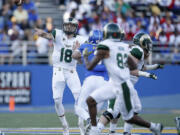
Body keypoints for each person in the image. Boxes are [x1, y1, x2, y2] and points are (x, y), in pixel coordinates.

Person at [82, 23, 163, 135]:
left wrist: (86, 57)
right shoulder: (124, 47)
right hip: (117, 83)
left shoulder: (107, 46)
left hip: (122, 85)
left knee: (126, 115)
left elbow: (90, 67)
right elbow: (133, 66)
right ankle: (96, 130)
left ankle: (153, 126)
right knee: (106, 107)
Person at [34, 17, 87, 135]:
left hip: (72, 71)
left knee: (79, 98)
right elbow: (47, 35)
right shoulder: (57, 33)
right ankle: (64, 125)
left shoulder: (81, 40)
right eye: (67, 25)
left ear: (76, 27)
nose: (68, 27)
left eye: (71, 25)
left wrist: (77, 54)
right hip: (58, 70)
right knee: (57, 100)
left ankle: (81, 123)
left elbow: (82, 62)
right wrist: (41, 33)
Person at [72, 29, 108, 134]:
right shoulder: (107, 49)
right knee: (94, 111)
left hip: (91, 80)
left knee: (78, 108)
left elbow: (75, 56)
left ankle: (90, 120)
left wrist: (77, 50)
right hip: (105, 82)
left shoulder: (86, 46)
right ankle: (93, 123)